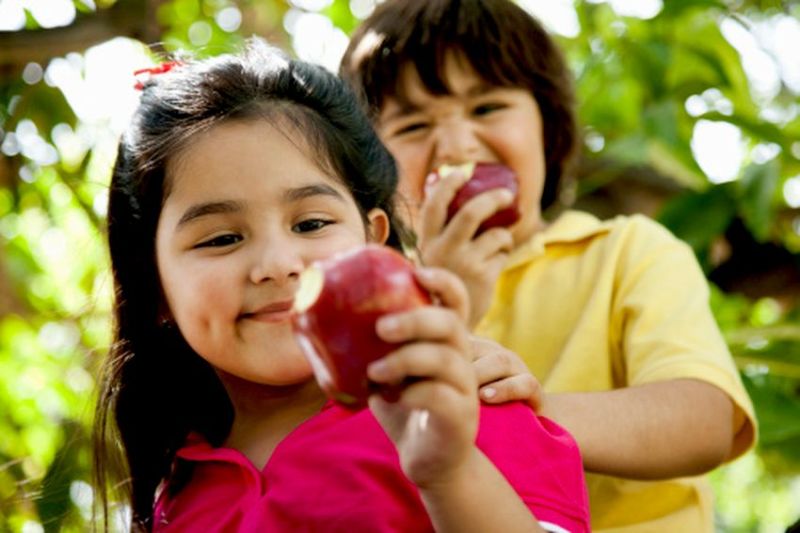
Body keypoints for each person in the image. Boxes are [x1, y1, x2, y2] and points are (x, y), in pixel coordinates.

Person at [92, 38, 591, 532]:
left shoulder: (466, 407)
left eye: (310, 224)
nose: (278, 264)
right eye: (222, 238)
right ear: (155, 286)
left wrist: (450, 473)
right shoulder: (177, 500)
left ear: (373, 240)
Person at [339, 0, 758, 531]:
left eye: (487, 108)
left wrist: (525, 414)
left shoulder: (626, 250)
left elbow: (705, 421)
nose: (456, 144)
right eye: (414, 124)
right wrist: (446, 305)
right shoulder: (376, 297)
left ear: (549, 128)